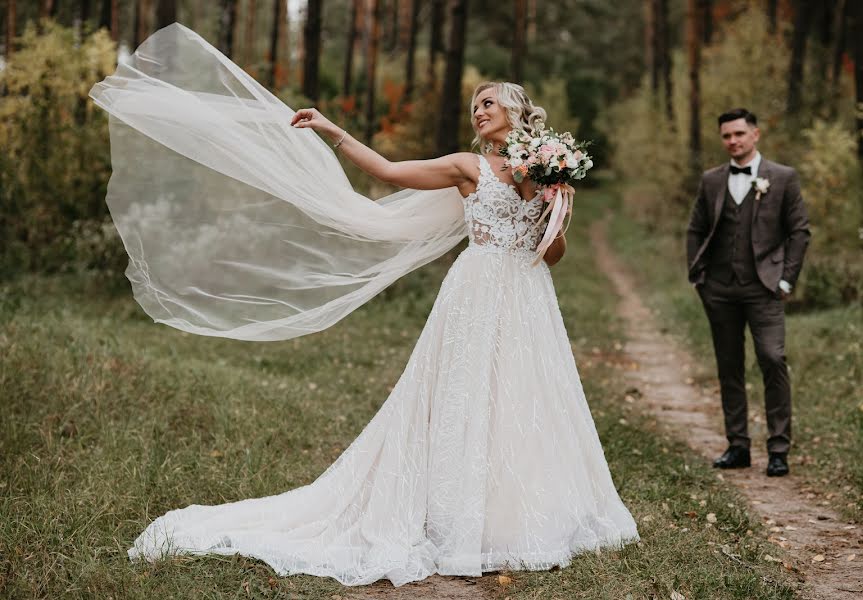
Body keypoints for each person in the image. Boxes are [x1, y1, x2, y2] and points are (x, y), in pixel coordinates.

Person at [93, 25, 638, 588]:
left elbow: (551, 255)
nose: (479, 111)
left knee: (522, 393)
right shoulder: (464, 167)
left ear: (516, 112)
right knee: (462, 395)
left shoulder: (546, 175)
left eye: (489, 103)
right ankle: (452, 515)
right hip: (476, 289)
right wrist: (334, 131)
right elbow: (388, 172)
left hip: (526, 295)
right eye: (475, 105)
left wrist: (555, 205)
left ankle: (516, 514)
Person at [687, 108, 811, 477]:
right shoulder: (711, 180)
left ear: (755, 135)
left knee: (773, 358)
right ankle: (738, 446)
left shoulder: (783, 178)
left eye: (739, 134)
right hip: (720, 289)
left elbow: (799, 232)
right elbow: (695, 229)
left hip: (765, 288)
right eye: (726, 136)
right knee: (729, 366)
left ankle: (778, 449)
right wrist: (699, 276)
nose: (733, 141)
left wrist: (786, 280)